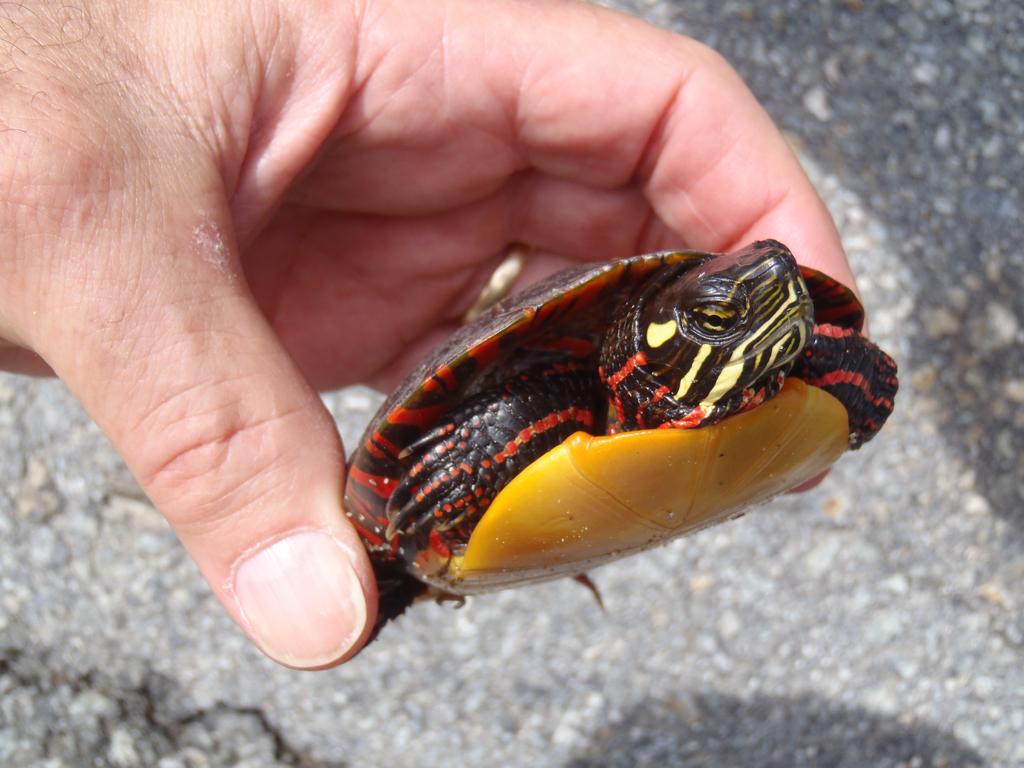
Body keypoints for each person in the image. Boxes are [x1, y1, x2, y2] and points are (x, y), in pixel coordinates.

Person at [0, 0, 859, 668]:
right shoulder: (566, 393)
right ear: (648, 341)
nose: (775, 299)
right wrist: (403, 536)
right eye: (718, 319)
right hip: (486, 481)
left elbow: (856, 370)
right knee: (504, 424)